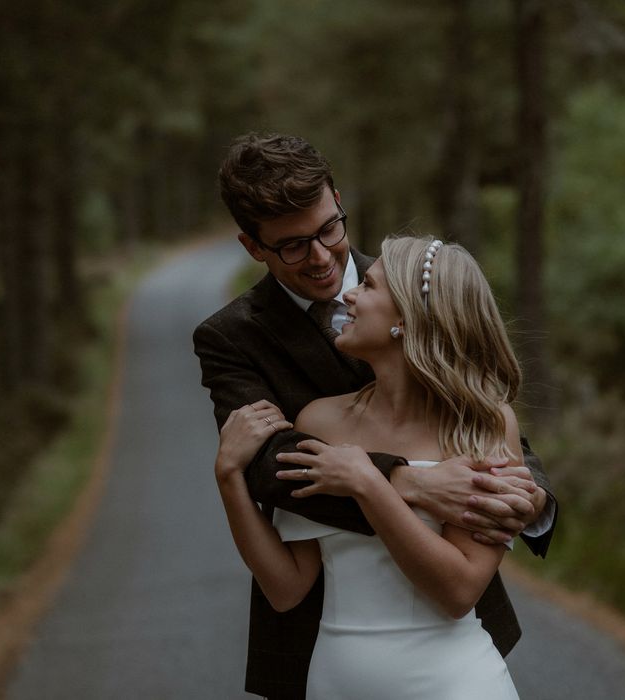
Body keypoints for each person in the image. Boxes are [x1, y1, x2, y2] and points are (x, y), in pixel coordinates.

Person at [193, 132, 556, 700]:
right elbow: (268, 462)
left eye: (328, 229)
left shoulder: (411, 284)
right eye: (291, 246)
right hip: (323, 645)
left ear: (338, 200)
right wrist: (407, 478)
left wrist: (527, 494)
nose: (320, 258)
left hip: (449, 651)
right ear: (251, 246)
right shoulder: (231, 337)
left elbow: (476, 412)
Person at [215, 235, 523, 699]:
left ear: (405, 320)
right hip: (334, 683)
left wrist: (367, 481)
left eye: (370, 286)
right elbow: (287, 588)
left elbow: (459, 592)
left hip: (453, 685)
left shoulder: (481, 424)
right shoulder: (318, 420)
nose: (350, 294)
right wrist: (229, 479)